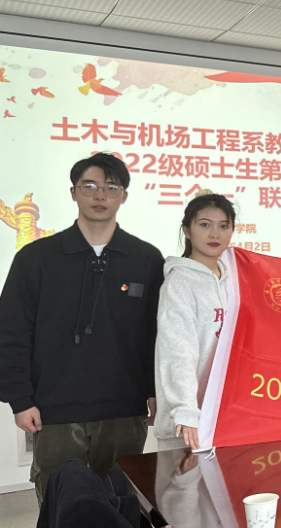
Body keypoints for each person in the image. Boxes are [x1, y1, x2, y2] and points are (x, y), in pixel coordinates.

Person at [0, 153, 163, 503]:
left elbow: (154, 335)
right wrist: (20, 400)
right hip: (55, 410)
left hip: (123, 410)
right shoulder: (36, 258)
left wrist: (154, 389)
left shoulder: (146, 259)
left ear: (124, 196)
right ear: (73, 192)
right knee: (61, 510)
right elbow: (12, 332)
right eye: (89, 186)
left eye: (111, 187)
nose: (100, 195)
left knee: (121, 507)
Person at [155, 190, 236, 453]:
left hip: (228, 419)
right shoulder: (179, 282)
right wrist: (186, 411)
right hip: (188, 424)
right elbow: (178, 351)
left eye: (223, 226)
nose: (215, 234)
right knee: (183, 481)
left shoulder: (234, 282)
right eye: (205, 225)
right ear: (187, 231)